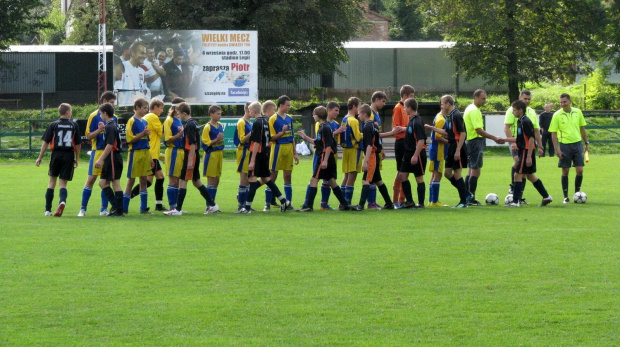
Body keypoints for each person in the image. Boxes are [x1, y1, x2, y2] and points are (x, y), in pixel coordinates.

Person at [164, 103, 219, 215]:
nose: (178, 115)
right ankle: (213, 205)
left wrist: (189, 161)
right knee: (196, 181)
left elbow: (192, 143)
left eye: (179, 113)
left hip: (190, 155)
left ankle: (177, 209)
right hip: (194, 155)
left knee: (183, 180)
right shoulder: (193, 122)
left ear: (184, 113)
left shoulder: (189, 124)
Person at [238, 101, 292, 213]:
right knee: (266, 178)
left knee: (252, 178)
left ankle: (246, 208)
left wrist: (252, 160)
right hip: (266, 153)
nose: (249, 112)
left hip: (258, 154)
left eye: (250, 110)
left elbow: (256, 142)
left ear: (253, 111)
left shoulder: (257, 123)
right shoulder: (265, 121)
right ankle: (284, 201)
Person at [296, 106, 351, 212]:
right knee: (331, 181)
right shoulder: (323, 126)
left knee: (314, 180)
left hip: (323, 157)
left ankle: (309, 206)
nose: (313, 116)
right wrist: (305, 137)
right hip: (327, 157)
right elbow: (318, 142)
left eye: (314, 114)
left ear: (318, 115)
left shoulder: (324, 128)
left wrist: (325, 160)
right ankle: (344, 204)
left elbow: (328, 145)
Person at [351, 104, 403, 210]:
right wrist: (391, 134)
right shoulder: (374, 125)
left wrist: (366, 161)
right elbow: (378, 137)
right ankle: (389, 203)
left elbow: (370, 145)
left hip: (372, 156)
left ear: (364, 114)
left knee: (365, 180)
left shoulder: (366, 126)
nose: (358, 116)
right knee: (378, 180)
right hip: (375, 155)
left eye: (360, 114)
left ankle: (360, 206)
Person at [503, 100, 553, 207]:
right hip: (524, 150)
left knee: (517, 175)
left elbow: (531, 139)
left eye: (514, 110)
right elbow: (521, 138)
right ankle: (546, 196)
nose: (513, 113)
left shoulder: (525, 121)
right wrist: (504, 139)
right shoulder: (520, 121)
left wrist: (529, 155)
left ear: (521, 110)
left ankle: (515, 202)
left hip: (526, 151)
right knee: (530, 176)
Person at [36, 103, 81, 217]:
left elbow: (45, 142)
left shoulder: (53, 125)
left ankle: (47, 210)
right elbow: (78, 144)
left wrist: (40, 157)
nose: (71, 113)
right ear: (67, 112)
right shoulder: (74, 125)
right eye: (70, 111)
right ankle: (62, 201)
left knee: (51, 182)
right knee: (63, 183)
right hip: (68, 155)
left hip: (55, 154)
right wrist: (77, 158)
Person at [425, 95, 470, 208]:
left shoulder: (456, 115)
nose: (441, 105)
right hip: (452, 146)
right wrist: (432, 128)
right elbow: (447, 132)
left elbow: (463, 133)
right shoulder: (449, 116)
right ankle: (466, 193)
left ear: (448, 104)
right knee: (447, 173)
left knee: (457, 173)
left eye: (442, 103)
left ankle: (463, 201)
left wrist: (458, 150)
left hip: (457, 146)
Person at [78, 91, 117, 217]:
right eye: (111, 103)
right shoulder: (94, 116)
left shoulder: (114, 118)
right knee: (91, 179)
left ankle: (103, 209)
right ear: (104, 101)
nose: (113, 105)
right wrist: (99, 130)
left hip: (109, 153)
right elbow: (88, 136)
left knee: (106, 181)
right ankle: (82, 209)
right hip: (98, 151)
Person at [463, 89, 504, 206]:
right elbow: (478, 130)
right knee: (476, 171)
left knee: (471, 170)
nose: (485, 101)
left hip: (470, 141)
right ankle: (471, 198)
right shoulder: (474, 111)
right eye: (483, 98)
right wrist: (494, 137)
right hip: (475, 141)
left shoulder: (469, 108)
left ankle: (466, 197)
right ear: (476, 97)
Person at [549, 93, 589, 204]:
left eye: (564, 102)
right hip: (564, 145)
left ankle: (577, 194)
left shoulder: (578, 112)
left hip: (577, 144)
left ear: (570, 101)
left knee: (580, 170)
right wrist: (556, 149)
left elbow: (582, 128)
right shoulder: (557, 115)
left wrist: (586, 143)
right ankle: (565, 196)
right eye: (561, 102)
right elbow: (553, 133)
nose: (562, 104)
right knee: (565, 171)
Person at [503, 90, 542, 203]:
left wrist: (540, 146)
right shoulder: (512, 110)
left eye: (529, 99)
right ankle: (513, 188)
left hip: (527, 145)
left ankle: (519, 196)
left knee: (524, 171)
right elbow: (507, 127)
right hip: (516, 142)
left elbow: (536, 130)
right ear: (520, 97)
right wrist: (513, 143)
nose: (527, 101)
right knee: (518, 163)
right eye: (525, 99)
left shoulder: (531, 112)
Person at [129, 98, 167, 211]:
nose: (162, 111)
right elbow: (163, 133)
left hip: (152, 153)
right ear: (155, 107)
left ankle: (157, 204)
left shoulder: (145, 118)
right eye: (161, 108)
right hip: (151, 155)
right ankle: (127, 198)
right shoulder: (153, 117)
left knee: (151, 180)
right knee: (153, 179)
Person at [265, 95, 299, 211]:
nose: (289, 107)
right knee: (272, 176)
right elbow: (272, 137)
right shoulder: (273, 119)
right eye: (287, 105)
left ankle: (288, 204)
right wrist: (282, 132)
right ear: (281, 105)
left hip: (288, 148)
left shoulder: (289, 118)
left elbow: (292, 137)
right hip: (278, 148)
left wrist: (295, 153)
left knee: (288, 176)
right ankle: (267, 204)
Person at [123, 98, 153, 215]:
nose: (146, 110)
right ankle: (124, 209)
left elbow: (147, 142)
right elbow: (129, 140)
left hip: (145, 153)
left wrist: (150, 158)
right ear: (137, 108)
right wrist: (142, 134)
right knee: (131, 180)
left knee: (144, 180)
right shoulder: (131, 121)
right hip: (135, 153)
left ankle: (143, 208)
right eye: (144, 108)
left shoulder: (145, 122)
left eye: (147, 108)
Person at [94, 103, 125, 217]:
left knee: (115, 182)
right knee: (102, 182)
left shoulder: (111, 126)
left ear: (105, 113)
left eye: (101, 113)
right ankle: (116, 207)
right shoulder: (111, 125)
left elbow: (110, 145)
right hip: (111, 157)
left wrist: (100, 159)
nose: (100, 115)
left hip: (112, 156)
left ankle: (119, 210)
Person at [396, 98, 427, 209]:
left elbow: (421, 140)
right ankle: (409, 201)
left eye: (405, 107)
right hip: (408, 153)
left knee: (418, 178)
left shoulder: (417, 121)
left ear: (409, 107)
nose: (404, 109)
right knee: (402, 175)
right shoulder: (412, 120)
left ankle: (421, 203)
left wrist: (415, 155)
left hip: (416, 154)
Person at [314, 101, 345, 210]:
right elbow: (320, 140)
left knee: (326, 179)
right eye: (335, 110)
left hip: (329, 155)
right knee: (318, 178)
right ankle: (310, 203)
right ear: (328, 110)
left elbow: (330, 141)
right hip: (321, 154)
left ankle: (322, 203)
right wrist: (337, 132)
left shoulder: (335, 124)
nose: (337, 113)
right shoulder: (320, 124)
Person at [391, 85, 415, 207]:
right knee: (401, 172)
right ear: (405, 96)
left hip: (408, 142)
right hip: (401, 143)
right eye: (411, 96)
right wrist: (409, 129)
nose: (412, 98)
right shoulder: (398, 108)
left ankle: (402, 200)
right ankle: (396, 201)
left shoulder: (409, 109)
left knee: (405, 172)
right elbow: (396, 128)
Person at [339, 97, 363, 206]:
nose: (360, 108)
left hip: (346, 150)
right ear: (354, 106)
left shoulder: (344, 118)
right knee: (352, 176)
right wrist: (368, 132)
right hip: (354, 150)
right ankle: (347, 202)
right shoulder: (353, 120)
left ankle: (342, 202)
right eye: (359, 106)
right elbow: (358, 137)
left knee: (346, 176)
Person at [201, 105, 225, 213]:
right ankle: (208, 206)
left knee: (217, 180)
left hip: (219, 154)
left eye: (220, 113)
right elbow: (205, 142)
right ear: (211, 114)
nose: (219, 115)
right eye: (217, 113)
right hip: (211, 154)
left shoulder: (220, 125)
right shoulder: (208, 127)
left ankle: (213, 204)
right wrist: (216, 139)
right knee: (210, 180)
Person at [163, 98, 185, 212]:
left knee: (178, 179)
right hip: (173, 151)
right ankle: (172, 206)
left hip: (180, 151)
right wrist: (179, 135)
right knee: (173, 179)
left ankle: (176, 207)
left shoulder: (179, 120)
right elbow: (167, 140)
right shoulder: (169, 120)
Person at [367, 91, 387, 209]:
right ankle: (371, 202)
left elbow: (377, 134)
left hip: (377, 148)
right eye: (383, 101)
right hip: (372, 149)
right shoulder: (370, 114)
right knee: (372, 174)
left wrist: (382, 148)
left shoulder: (376, 114)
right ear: (376, 99)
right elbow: (373, 134)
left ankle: (372, 202)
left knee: (375, 174)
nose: (384, 104)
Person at [427, 101, 449, 207]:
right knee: (438, 174)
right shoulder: (441, 119)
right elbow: (437, 136)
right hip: (438, 150)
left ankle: (431, 201)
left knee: (434, 174)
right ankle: (434, 201)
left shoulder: (439, 116)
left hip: (434, 149)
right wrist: (449, 142)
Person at [234, 101, 254, 211]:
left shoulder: (249, 123)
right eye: (252, 111)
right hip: (243, 152)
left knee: (248, 179)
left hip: (249, 152)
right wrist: (252, 133)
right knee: (243, 178)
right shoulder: (241, 122)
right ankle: (241, 205)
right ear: (247, 110)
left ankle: (246, 205)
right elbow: (242, 139)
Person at [119, 42, 149, 106]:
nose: (144, 56)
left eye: (145, 54)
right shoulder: (122, 67)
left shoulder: (142, 71)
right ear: (132, 53)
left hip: (138, 107)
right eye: (142, 53)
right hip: (125, 106)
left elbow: (144, 90)